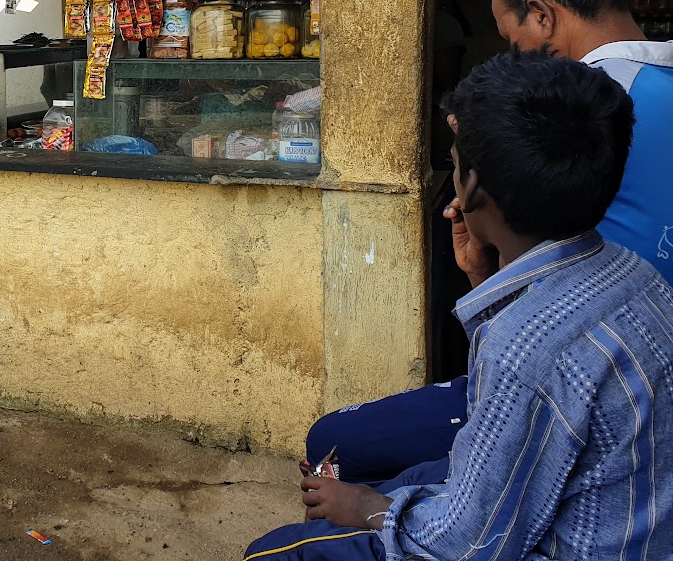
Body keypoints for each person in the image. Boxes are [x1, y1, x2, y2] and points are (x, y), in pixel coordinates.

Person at [247, 51, 673, 559]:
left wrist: (370, 509)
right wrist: (481, 275)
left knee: (269, 551)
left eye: (454, 163)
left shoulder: (524, 350)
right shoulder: (633, 270)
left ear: (469, 189)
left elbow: (468, 543)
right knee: (391, 468)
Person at [303, 0, 673, 485]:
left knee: (333, 456)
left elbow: (525, 340)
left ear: (542, 15)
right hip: (638, 372)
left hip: (573, 379)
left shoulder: (574, 112)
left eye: (510, 37)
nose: (513, 56)